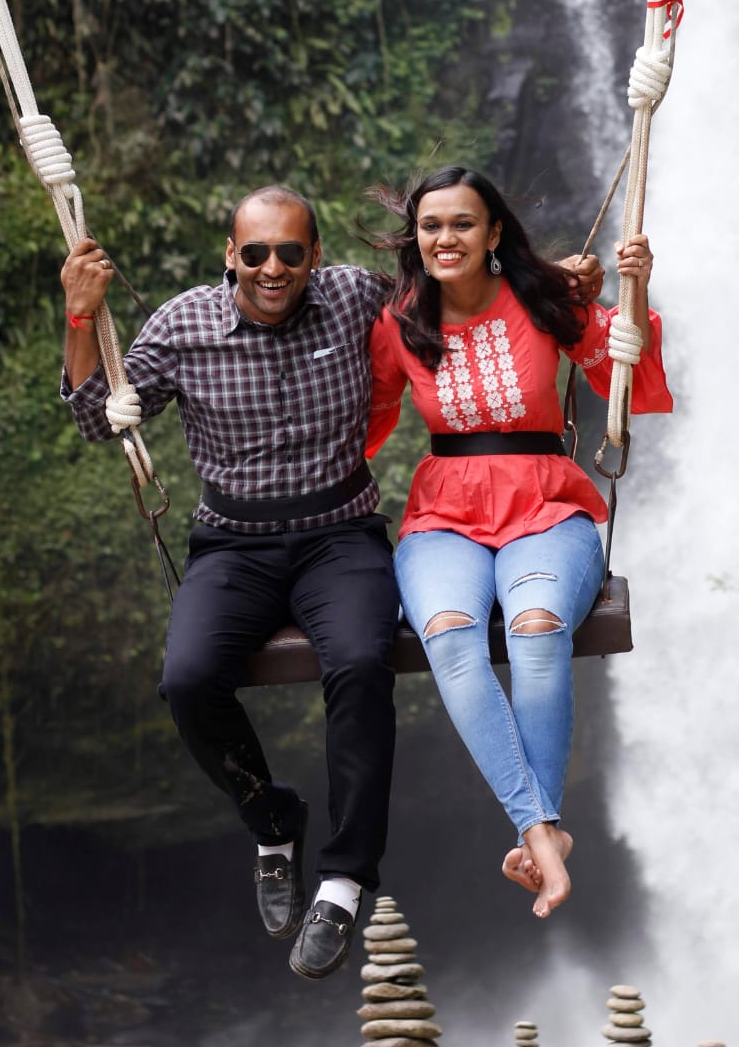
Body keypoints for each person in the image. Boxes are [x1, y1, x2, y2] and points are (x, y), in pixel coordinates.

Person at [60, 183, 604, 977]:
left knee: (359, 661)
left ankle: (347, 878)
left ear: (316, 256)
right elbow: (93, 416)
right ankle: (273, 822)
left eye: (290, 253)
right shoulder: (181, 325)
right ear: (230, 255)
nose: (272, 269)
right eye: (255, 253)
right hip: (233, 545)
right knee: (187, 680)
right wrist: (81, 316)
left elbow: (457, 274)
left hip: (338, 537)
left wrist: (559, 277)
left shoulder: (355, 298)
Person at [365, 166, 673, 920]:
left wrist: (630, 294)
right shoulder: (399, 321)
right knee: (449, 632)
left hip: (548, 504)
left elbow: (617, 366)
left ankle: (538, 829)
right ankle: (541, 831)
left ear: (494, 232)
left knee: (537, 630)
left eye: (463, 224)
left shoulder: (546, 298)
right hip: (444, 515)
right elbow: (365, 420)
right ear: (416, 237)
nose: (446, 238)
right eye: (432, 226)